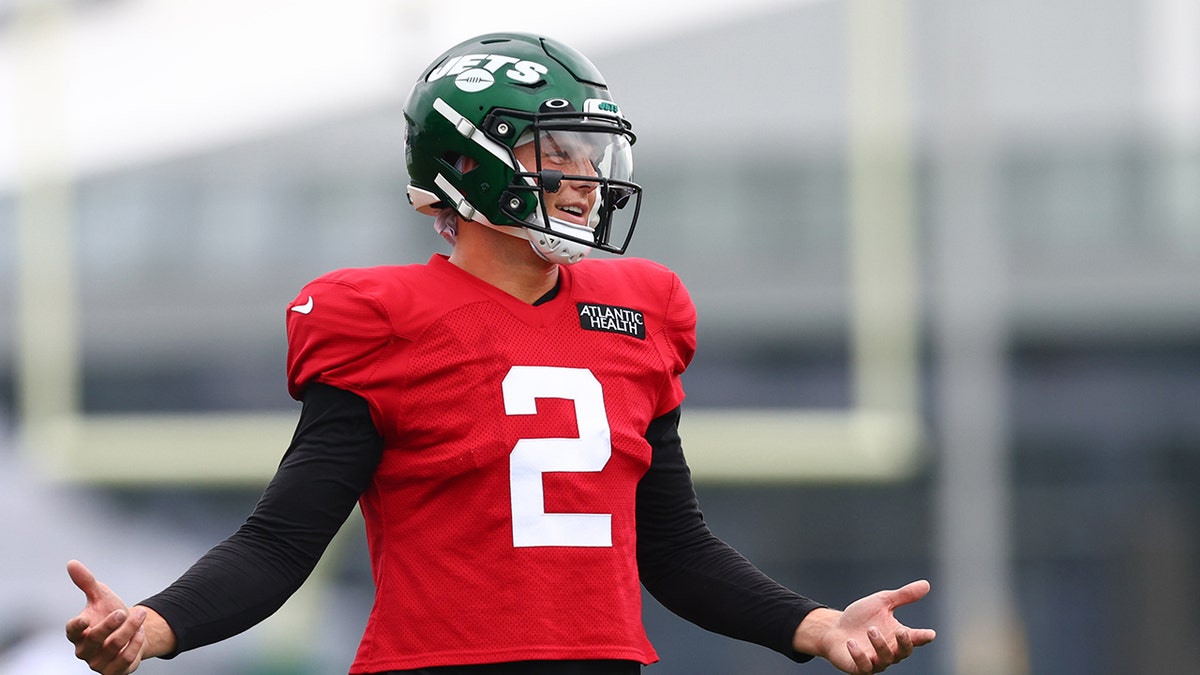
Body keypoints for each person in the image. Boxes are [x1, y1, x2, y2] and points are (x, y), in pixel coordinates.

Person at [65, 32, 935, 675]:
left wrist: (815, 623)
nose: (590, 178)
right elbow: (281, 540)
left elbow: (672, 548)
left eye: (593, 151)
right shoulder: (385, 320)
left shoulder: (641, 312)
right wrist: (155, 624)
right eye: (556, 154)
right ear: (469, 169)